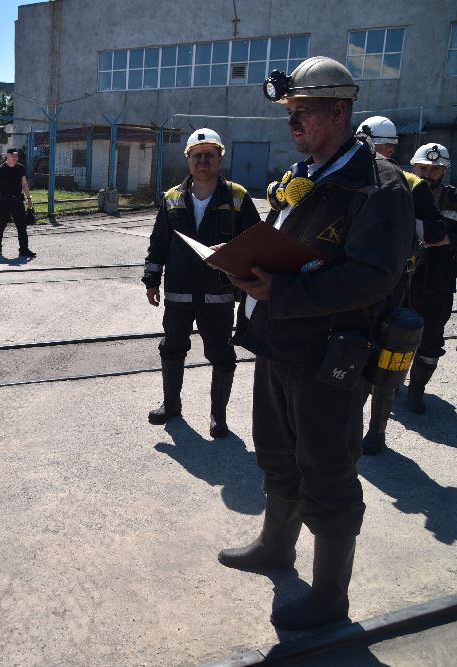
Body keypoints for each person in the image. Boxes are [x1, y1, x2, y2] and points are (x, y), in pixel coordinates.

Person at [218, 57, 413, 631]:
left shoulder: (379, 186)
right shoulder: (307, 173)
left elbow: (373, 278)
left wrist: (280, 290)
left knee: (327, 470)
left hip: (331, 354)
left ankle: (330, 598)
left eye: (303, 111)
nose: (293, 122)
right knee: (276, 454)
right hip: (279, 340)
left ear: (340, 112)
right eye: (290, 113)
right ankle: (276, 546)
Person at [141, 128, 260, 438]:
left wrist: (232, 252)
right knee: (172, 348)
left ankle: (218, 416)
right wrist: (152, 280)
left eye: (209, 155)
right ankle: (171, 405)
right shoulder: (172, 198)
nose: (203, 160)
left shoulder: (237, 196)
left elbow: (255, 242)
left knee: (221, 354)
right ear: (188, 160)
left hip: (217, 293)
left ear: (219, 159)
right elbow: (158, 243)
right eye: (197, 155)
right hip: (178, 292)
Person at [354, 118, 451, 454]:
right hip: (371, 284)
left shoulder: (408, 183)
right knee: (365, 353)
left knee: (384, 355)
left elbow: (437, 234)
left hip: (390, 285)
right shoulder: (353, 177)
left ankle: (372, 431)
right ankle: (359, 429)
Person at [406, 143, 456, 413]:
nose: (427, 174)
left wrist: (446, 238)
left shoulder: (454, 199)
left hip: (437, 283)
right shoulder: (400, 195)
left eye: (434, 169)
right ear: (413, 168)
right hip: (402, 281)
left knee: (431, 341)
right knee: (391, 334)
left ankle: (416, 390)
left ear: (444, 171)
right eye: (422, 168)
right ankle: (388, 385)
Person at [0, 147, 36, 258]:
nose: (15, 157)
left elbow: (24, 184)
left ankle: (24, 249)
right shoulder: (0, 169)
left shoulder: (20, 168)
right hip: (5, 201)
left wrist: (29, 198)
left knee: (22, 226)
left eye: (16, 155)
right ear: (7, 156)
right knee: (0, 226)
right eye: (13, 155)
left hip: (18, 201)